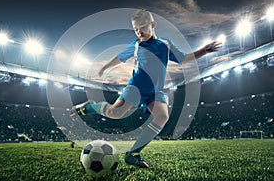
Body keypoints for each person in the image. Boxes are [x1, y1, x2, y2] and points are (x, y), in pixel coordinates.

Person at [70, 9, 221, 168]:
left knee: (162, 116)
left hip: (155, 91)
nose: (139, 32)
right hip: (136, 87)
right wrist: (106, 66)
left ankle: (133, 154)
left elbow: (184, 59)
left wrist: (204, 50)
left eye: (142, 27)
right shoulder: (136, 45)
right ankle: (87, 108)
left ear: (153, 24)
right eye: (135, 29)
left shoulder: (165, 44)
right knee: (114, 113)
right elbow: (120, 57)